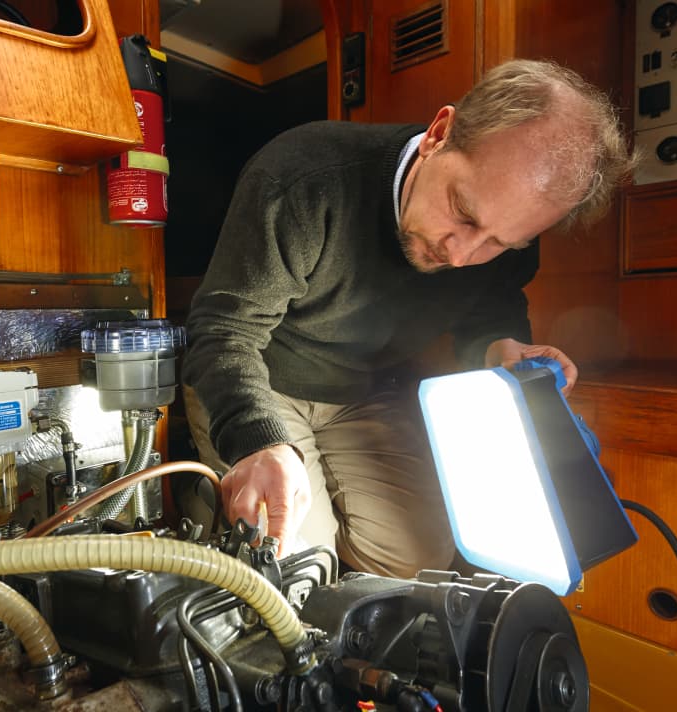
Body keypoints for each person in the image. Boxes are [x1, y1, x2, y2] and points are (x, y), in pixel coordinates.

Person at [181, 59, 634, 578]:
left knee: (415, 560)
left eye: (498, 243)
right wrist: (258, 441)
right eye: (463, 212)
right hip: (256, 377)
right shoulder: (303, 177)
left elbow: (491, 307)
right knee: (294, 567)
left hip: (363, 391)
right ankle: (215, 500)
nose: (462, 255)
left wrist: (502, 347)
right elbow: (224, 331)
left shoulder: (508, 242)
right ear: (438, 135)